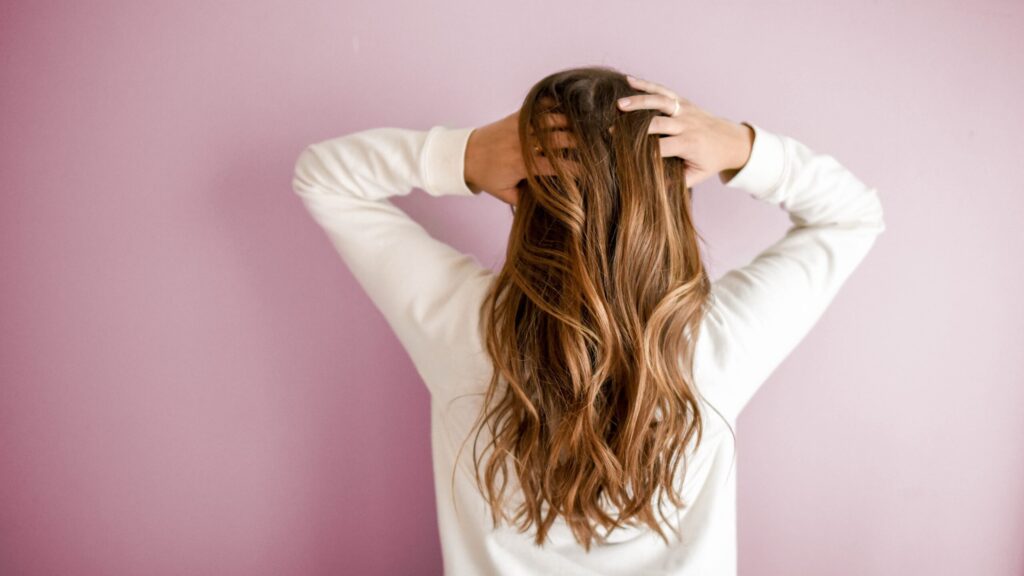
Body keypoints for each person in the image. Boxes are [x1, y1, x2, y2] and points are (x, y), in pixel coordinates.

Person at [291, 66, 886, 575]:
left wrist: (466, 155)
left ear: (523, 190)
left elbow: (323, 176)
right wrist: (739, 147)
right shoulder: (713, 345)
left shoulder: (467, 328)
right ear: (668, 198)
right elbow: (852, 215)